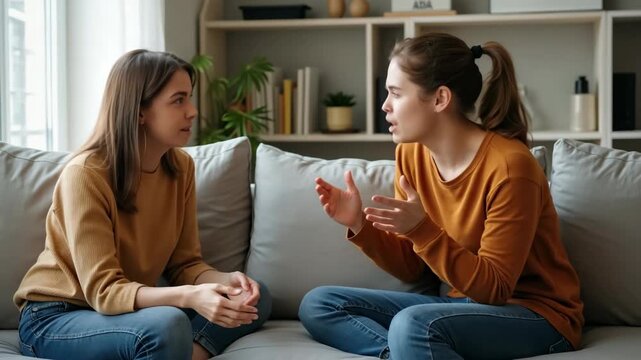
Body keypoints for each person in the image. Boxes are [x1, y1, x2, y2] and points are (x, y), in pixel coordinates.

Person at [299, 33, 583, 359]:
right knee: (320, 303)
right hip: (454, 306)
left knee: (414, 326)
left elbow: (494, 289)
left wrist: (421, 228)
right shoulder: (411, 154)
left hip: (535, 314)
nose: (384, 106)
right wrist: (360, 225)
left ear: (440, 99)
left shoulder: (510, 166)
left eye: (395, 93)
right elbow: (412, 268)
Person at [13, 49, 271, 360]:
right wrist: (190, 297)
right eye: (178, 100)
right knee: (167, 325)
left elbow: (185, 265)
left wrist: (226, 282)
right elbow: (104, 292)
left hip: (126, 314)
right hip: (57, 317)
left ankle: (185, 353)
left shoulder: (180, 167)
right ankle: (173, 347)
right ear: (139, 111)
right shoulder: (85, 175)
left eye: (190, 98)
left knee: (254, 297)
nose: (192, 111)